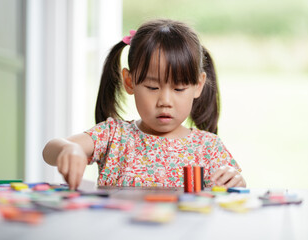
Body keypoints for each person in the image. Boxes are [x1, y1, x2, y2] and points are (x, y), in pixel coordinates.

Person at [43, 19, 246, 190]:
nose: (165, 101)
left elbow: (236, 191)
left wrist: (235, 182)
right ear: (130, 82)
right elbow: (50, 150)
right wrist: (70, 150)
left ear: (198, 86)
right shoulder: (114, 136)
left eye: (179, 89)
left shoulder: (208, 147)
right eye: (152, 87)